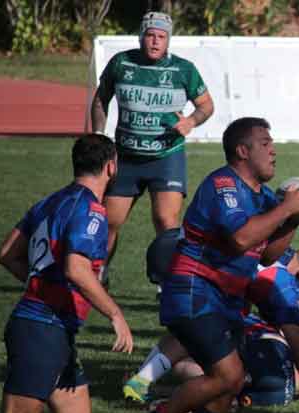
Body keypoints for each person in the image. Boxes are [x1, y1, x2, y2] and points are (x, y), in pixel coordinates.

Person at [133, 117, 299, 413]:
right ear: (242, 151)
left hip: (225, 300)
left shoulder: (262, 196)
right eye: (265, 143)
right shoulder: (224, 185)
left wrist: (293, 222)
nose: (273, 150)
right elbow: (241, 239)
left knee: (230, 383)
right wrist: (284, 210)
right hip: (194, 292)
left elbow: (266, 253)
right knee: (227, 375)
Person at [0, 134, 134, 413]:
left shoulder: (50, 201)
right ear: (111, 167)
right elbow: (77, 268)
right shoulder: (91, 210)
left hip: (52, 328)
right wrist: (115, 314)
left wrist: (41, 283)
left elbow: (6, 253)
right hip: (42, 328)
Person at [90, 11, 214, 286]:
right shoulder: (121, 63)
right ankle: (99, 273)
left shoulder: (184, 69)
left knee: (166, 222)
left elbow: (207, 105)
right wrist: (99, 134)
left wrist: (191, 121)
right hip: (125, 157)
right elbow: (101, 99)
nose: (155, 42)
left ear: (168, 40)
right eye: (150, 35)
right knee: (109, 221)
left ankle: (167, 283)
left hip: (166, 157)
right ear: (141, 36)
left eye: (161, 36)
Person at [123, 245, 299, 403]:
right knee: (201, 330)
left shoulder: (279, 253)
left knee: (197, 330)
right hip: (191, 268)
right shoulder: (284, 288)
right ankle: (143, 384)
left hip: (180, 251)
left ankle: (142, 380)